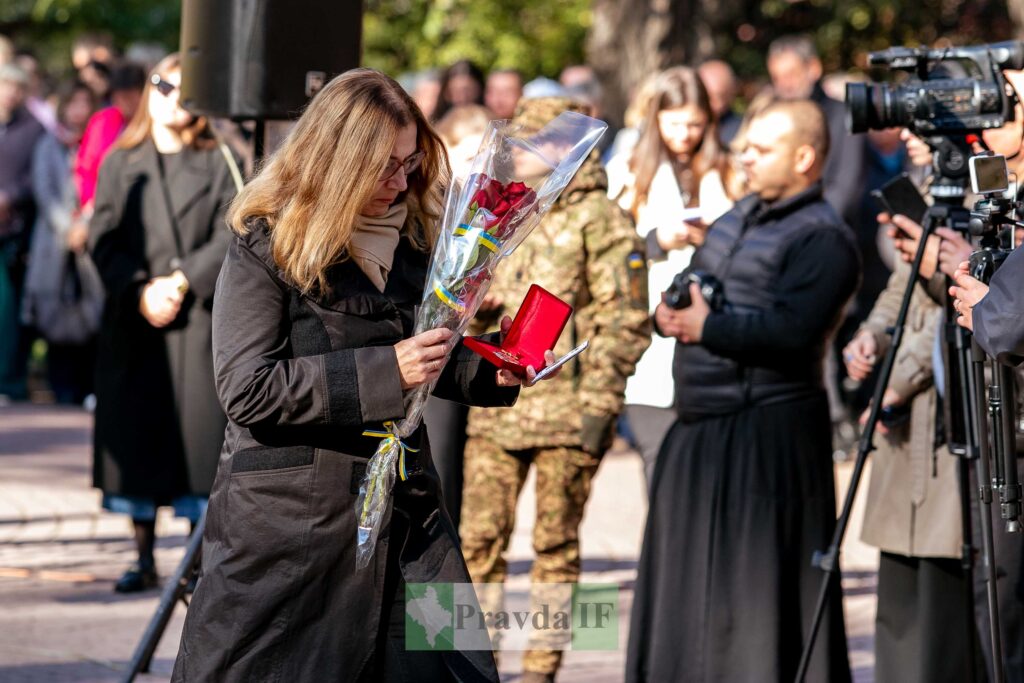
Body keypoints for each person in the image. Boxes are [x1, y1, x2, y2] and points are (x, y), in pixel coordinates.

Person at [171, 68, 562, 682]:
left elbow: (425, 351)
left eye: (408, 162)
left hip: (408, 509)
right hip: (294, 527)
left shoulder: (415, 236)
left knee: (456, 666)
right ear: (336, 161)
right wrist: (389, 369)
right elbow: (247, 388)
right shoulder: (266, 244)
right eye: (383, 166)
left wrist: (494, 370)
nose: (400, 181)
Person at [626, 100, 859, 683]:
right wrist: (668, 313)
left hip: (768, 437)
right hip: (700, 426)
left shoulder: (825, 237)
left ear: (803, 158)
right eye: (745, 146)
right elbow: (692, 281)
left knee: (756, 606)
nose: (744, 157)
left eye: (761, 149)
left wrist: (710, 328)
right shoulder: (738, 215)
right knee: (685, 594)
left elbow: (796, 332)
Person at [460, 96, 650, 683]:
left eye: (534, 139)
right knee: (472, 543)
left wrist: (600, 406)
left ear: (567, 146)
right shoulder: (508, 209)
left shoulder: (603, 218)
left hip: (567, 414)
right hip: (494, 405)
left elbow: (625, 321)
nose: (519, 150)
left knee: (557, 550)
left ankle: (542, 670)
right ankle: (469, 666)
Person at [88, 53, 240, 593]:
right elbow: (103, 236)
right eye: (163, 85)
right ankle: (142, 554)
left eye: (184, 88)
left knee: (197, 444)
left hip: (192, 320)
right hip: (136, 321)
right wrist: (140, 288)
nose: (173, 96)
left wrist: (180, 281)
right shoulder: (120, 162)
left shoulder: (221, 160)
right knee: (138, 439)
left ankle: (196, 561)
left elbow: (233, 231)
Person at [844, 252, 982, 682]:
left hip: (950, 423)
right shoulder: (931, 187)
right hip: (904, 436)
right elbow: (900, 289)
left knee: (942, 605)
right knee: (901, 596)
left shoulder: (987, 198)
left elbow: (956, 308)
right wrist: (869, 336)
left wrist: (896, 383)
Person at [606, 66, 734, 486]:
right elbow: (608, 252)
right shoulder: (628, 169)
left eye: (695, 124)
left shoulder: (728, 169)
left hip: (713, 325)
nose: (685, 134)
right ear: (655, 118)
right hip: (650, 333)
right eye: (675, 123)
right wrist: (658, 240)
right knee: (658, 459)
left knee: (710, 464)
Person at [21, 80, 101, 405]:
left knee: (88, 309)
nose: (79, 110)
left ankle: (85, 385)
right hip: (53, 241)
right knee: (53, 309)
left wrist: (85, 225)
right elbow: (44, 189)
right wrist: (68, 227)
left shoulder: (99, 143)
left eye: (85, 103)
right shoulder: (48, 143)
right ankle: (60, 385)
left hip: (88, 239)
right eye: (74, 103)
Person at [767, 35, 866, 228]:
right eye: (777, 78)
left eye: (791, 75)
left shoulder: (845, 117)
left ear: (813, 68)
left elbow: (846, 189)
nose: (785, 85)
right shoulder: (776, 120)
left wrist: (800, 228)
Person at [0, 63, 46, 400]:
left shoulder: (34, 129)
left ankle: (11, 381)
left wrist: (11, 197)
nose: (9, 93)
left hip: (15, 234)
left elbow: (39, 178)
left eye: (15, 86)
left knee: (10, 309)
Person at [74, 62, 147, 220]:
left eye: (129, 96)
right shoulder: (103, 121)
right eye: (117, 96)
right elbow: (87, 165)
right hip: (100, 205)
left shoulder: (152, 123)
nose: (123, 102)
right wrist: (89, 202)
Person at [697, 59, 742, 145]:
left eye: (720, 97)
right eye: (707, 97)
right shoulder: (685, 127)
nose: (713, 105)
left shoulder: (741, 129)